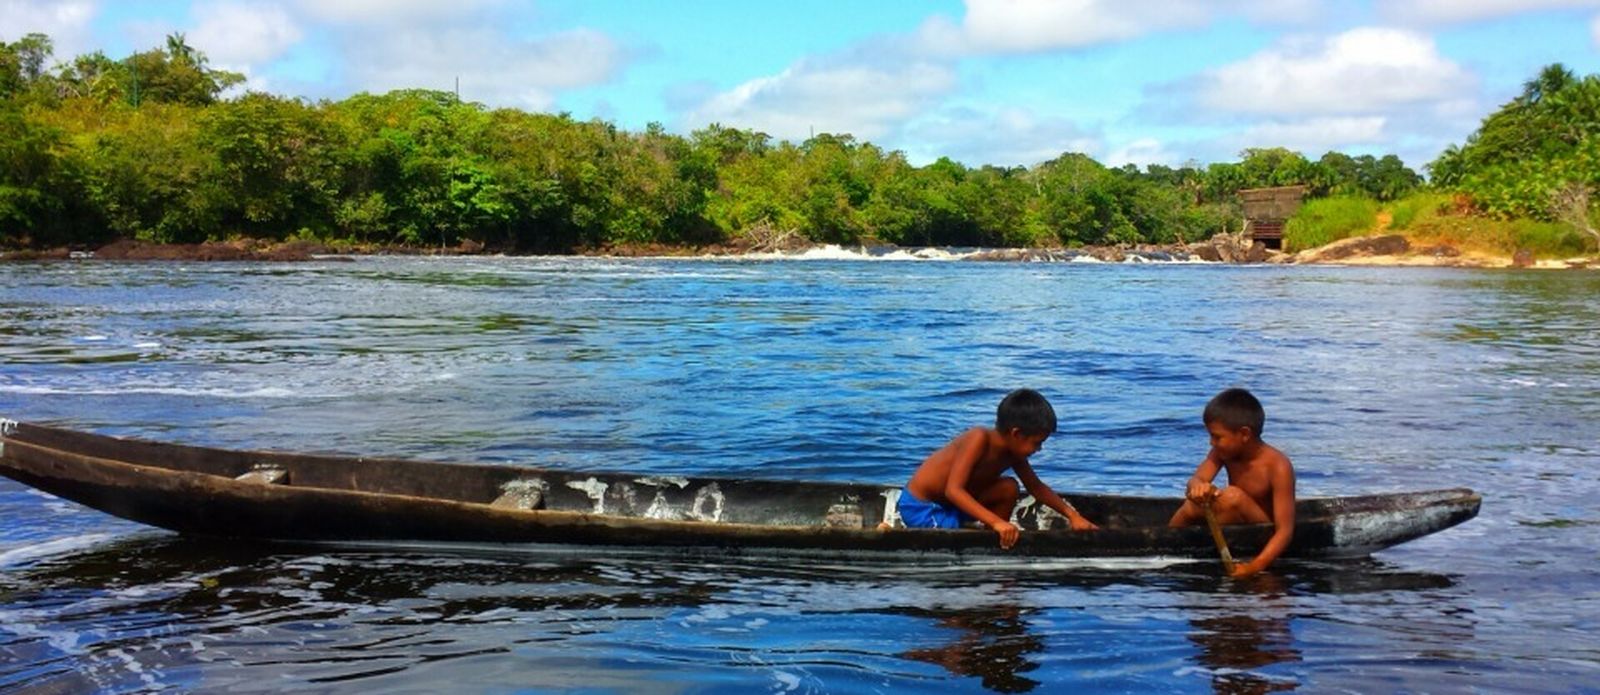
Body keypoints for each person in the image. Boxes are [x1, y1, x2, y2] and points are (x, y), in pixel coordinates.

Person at [896, 388, 1098, 549]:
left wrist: (1074, 516)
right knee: (950, 532)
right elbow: (953, 490)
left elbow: (1036, 487)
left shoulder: (1014, 453)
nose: (1039, 449)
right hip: (923, 507)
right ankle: (890, 531)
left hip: (952, 506)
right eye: (1037, 443)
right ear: (1016, 434)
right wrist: (997, 522)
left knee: (1009, 487)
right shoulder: (979, 439)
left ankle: (996, 541)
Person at [1168, 388, 1295, 578]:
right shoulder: (1223, 452)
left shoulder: (1278, 466)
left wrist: (1255, 566)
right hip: (1237, 516)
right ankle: (1167, 541)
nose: (1212, 443)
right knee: (1191, 504)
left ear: (1244, 434)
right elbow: (1197, 479)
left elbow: (1285, 531)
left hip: (1263, 526)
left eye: (1217, 437)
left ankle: (1170, 544)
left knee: (1233, 496)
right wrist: (1197, 487)